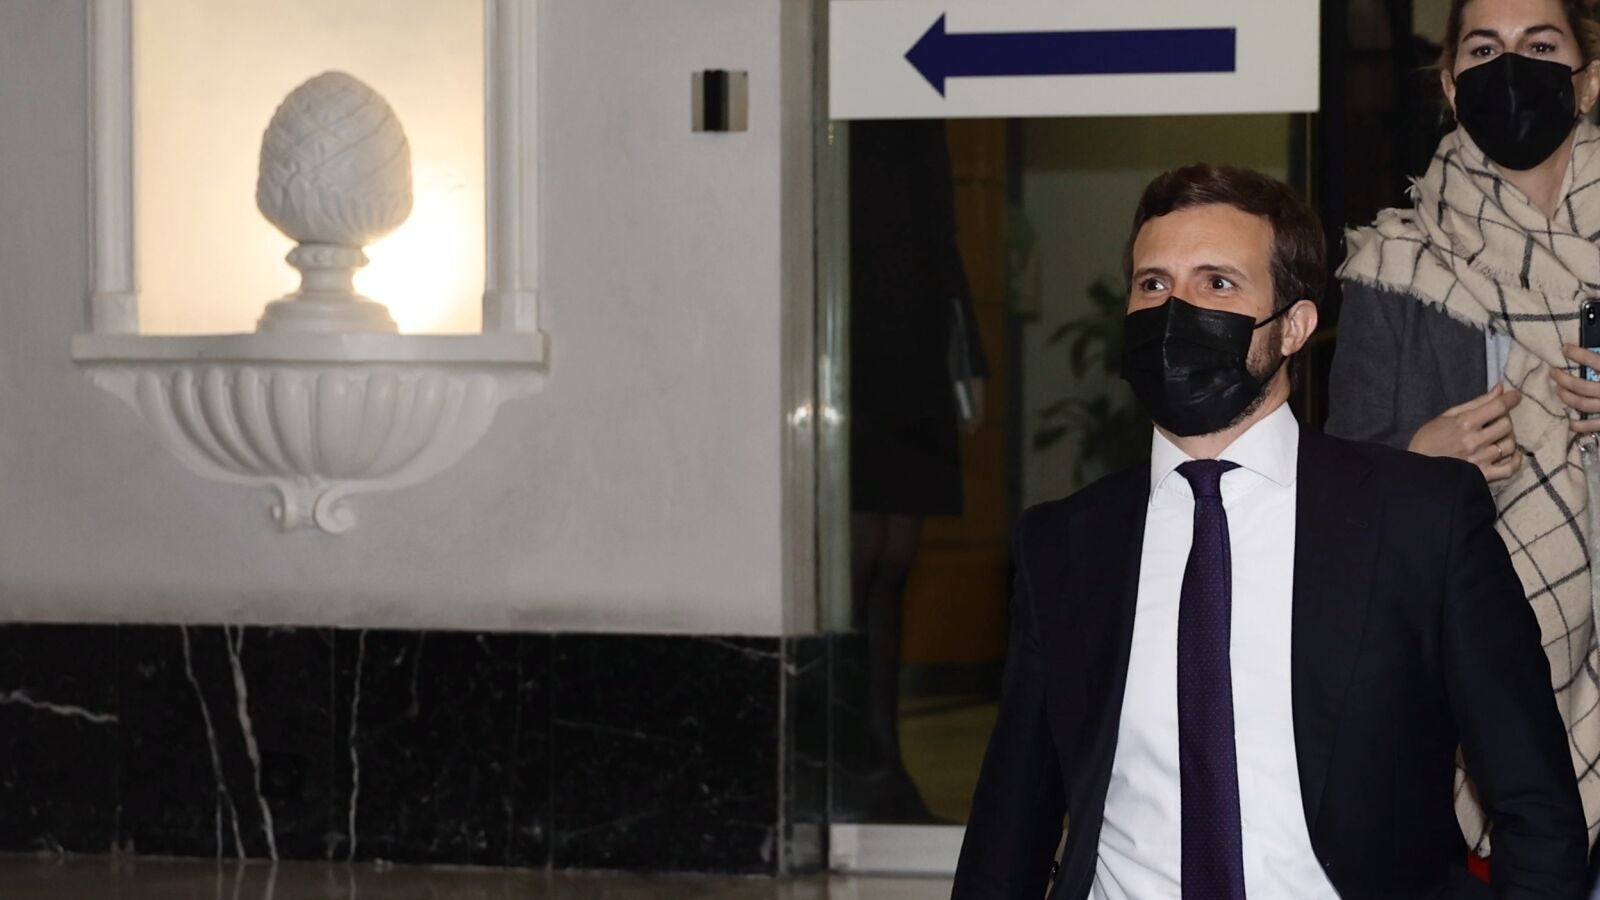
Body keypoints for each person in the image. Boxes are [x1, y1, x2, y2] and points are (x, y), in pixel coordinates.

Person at [953, 165, 1587, 899]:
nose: (1175, 311)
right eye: (1153, 284)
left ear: (1294, 326)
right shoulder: (1065, 545)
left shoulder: (1421, 519)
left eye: (1217, 284)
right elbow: (1010, 826)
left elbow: (1535, 806)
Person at [1329, 0, 1600, 853]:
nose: (1511, 69)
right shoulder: (1394, 264)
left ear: (1588, 81)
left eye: (1540, 45)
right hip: (1465, 680)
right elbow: (1334, 492)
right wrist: (1418, 461)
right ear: (1451, 86)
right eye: (1484, 50)